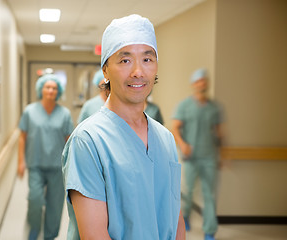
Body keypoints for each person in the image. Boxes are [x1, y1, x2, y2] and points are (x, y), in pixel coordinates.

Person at [62, 14, 185, 240]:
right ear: (105, 70)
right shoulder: (88, 141)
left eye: (147, 59)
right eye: (125, 60)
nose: (138, 71)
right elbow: (94, 236)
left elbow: (175, 219)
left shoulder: (165, 138)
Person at [18, 73, 74, 240]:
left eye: (54, 88)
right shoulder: (29, 111)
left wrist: (71, 165)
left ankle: (50, 235)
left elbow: (69, 140)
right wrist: (20, 161)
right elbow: (22, 137)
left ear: (59, 91)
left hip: (57, 166)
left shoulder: (64, 113)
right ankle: (34, 231)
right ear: (41, 89)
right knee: (35, 199)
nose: (51, 90)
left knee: (55, 205)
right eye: (48, 87)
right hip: (35, 163)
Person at [171, 68, 224, 240]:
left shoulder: (214, 107)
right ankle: (185, 215)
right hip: (190, 157)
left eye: (204, 80)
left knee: (209, 194)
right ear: (193, 84)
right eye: (198, 81)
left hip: (209, 156)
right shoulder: (185, 105)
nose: (202, 83)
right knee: (188, 190)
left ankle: (209, 231)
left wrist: (222, 154)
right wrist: (183, 144)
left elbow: (219, 132)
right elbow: (175, 127)